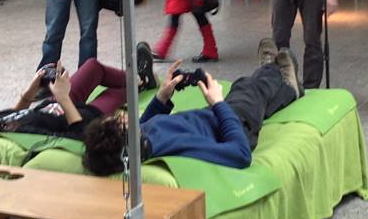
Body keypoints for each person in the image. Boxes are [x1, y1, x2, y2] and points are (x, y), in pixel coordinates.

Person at [82, 39, 301, 176]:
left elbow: (145, 125)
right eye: (121, 121)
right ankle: (273, 70)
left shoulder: (142, 142)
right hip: (234, 123)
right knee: (247, 87)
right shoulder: (175, 146)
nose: (123, 115)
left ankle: (288, 90)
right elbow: (240, 153)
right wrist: (218, 104)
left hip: (214, 116)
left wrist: (161, 98)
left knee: (249, 94)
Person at [0, 43, 157, 147]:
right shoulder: (18, 136)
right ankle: (140, 79)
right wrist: (63, 97)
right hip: (84, 117)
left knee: (92, 67)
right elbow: (80, 135)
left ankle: (138, 77)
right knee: (119, 91)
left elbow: (15, 116)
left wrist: (30, 92)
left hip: (56, 105)